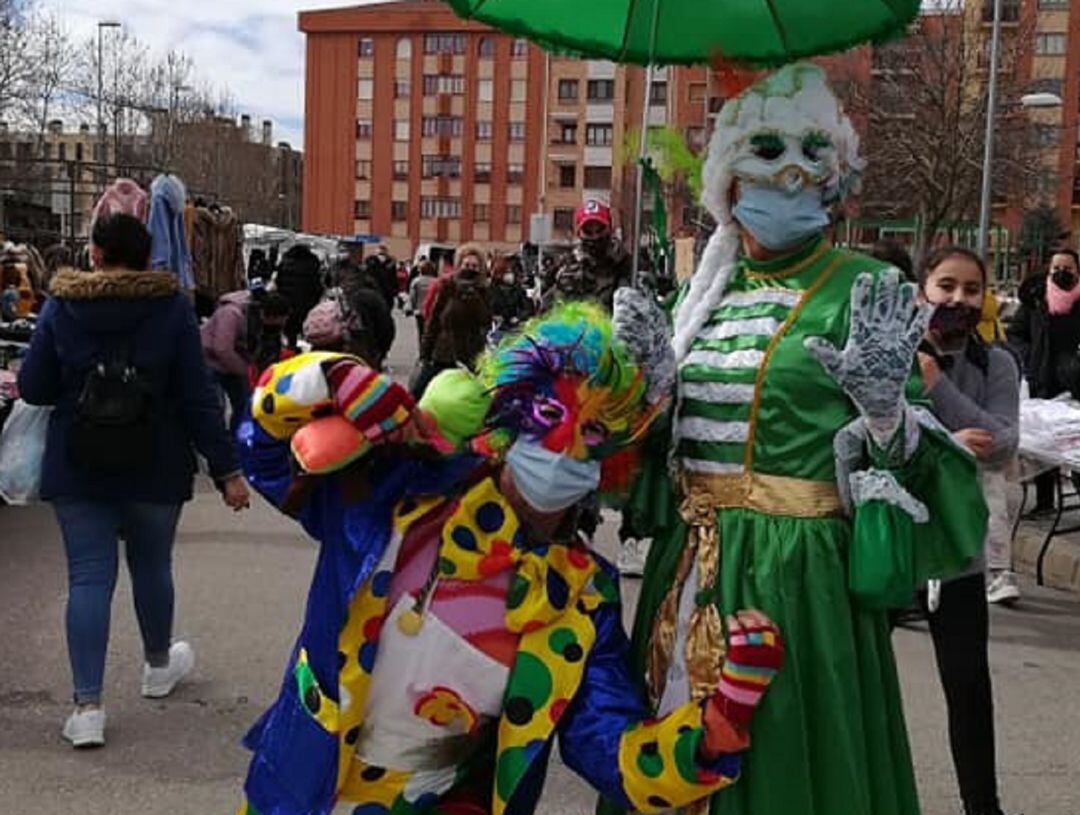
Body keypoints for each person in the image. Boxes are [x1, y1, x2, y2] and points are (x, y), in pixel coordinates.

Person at [234, 301, 783, 815]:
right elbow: (265, 454)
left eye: (592, 432)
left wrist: (714, 729)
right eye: (550, 414)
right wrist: (326, 377)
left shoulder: (583, 597)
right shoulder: (399, 490)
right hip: (301, 786)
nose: (564, 447)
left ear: (613, 461)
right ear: (513, 412)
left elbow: (608, 745)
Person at [614, 63, 987, 815]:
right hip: (689, 567)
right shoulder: (699, 295)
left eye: (811, 156)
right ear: (727, 182)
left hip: (799, 583)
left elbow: (926, 466)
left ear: (835, 177)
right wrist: (647, 394)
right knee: (675, 758)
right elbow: (653, 460)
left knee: (787, 762)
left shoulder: (861, 288)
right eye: (765, 156)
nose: (789, 175)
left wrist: (888, 414)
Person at [16, 213, 250, 749]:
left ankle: (87, 707)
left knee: (89, 577)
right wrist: (227, 470)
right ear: (149, 257)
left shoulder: (62, 305)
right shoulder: (170, 309)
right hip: (156, 461)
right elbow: (197, 397)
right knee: (151, 565)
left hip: (78, 463)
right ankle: (157, 664)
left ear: (94, 253)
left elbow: (33, 386)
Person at [915, 246, 1019, 815]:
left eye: (971, 289)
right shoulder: (895, 351)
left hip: (956, 550)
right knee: (862, 680)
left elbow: (1001, 443)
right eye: (946, 285)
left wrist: (937, 387)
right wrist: (948, 444)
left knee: (968, 687)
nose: (958, 299)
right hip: (889, 545)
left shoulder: (995, 365)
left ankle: (983, 805)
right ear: (922, 288)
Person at [1006, 247, 1080, 514]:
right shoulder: (1036, 301)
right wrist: (1028, 358)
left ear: (1077, 271)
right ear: (1048, 271)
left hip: (1075, 383)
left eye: (1068, 268)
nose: (1062, 273)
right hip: (1042, 380)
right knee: (1043, 445)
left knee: (1075, 444)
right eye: (1056, 268)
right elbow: (1016, 334)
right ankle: (1046, 503)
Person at [201, 286, 291, 432]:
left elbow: (268, 352)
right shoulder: (231, 314)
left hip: (235, 363)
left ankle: (237, 439)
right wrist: (247, 370)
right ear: (265, 315)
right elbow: (222, 349)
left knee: (245, 403)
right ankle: (219, 444)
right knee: (215, 407)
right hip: (209, 361)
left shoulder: (262, 322)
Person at [416, 244, 492, 397]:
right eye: (466, 265)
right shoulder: (447, 286)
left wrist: (474, 297)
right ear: (459, 265)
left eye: (474, 266)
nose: (470, 269)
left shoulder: (484, 290)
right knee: (422, 393)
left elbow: (485, 320)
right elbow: (434, 321)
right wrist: (425, 353)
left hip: (469, 357)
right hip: (444, 354)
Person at [542, 200, 631, 313]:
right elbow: (545, 310)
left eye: (600, 229)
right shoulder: (566, 265)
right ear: (579, 233)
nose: (595, 236)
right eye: (588, 231)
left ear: (610, 229)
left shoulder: (625, 263)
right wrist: (562, 289)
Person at [303, 286, 396, 371]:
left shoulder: (342, 304)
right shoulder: (374, 303)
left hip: (322, 351)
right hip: (356, 352)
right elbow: (387, 331)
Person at [274, 243, 325, 349]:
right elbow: (316, 283)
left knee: (291, 328)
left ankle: (291, 347)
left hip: (288, 301)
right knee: (307, 326)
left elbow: (279, 281)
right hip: (307, 302)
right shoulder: (312, 262)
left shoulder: (285, 262)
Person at [487, 255, 533, 343]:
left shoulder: (518, 289)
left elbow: (527, 308)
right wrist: (494, 317)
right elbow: (486, 309)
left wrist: (519, 317)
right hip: (497, 329)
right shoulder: (491, 290)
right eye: (507, 272)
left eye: (511, 272)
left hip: (514, 328)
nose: (510, 275)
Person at [407, 259, 438, 341]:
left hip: (419, 311)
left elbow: (413, 296)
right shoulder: (436, 281)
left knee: (421, 332)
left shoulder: (416, 281)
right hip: (432, 310)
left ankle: (422, 349)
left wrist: (411, 308)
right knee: (432, 331)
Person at [365, 243, 400, 311]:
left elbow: (366, 277)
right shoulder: (391, 263)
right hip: (386, 293)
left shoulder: (369, 261)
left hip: (374, 292)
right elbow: (394, 279)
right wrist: (395, 291)